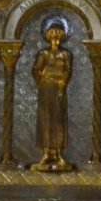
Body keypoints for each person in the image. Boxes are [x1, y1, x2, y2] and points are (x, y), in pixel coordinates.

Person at [32, 19, 74, 171]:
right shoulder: (43, 53)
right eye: (53, 35)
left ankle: (57, 153)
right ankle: (46, 153)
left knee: (58, 120)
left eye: (58, 35)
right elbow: (36, 70)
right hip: (46, 88)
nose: (55, 39)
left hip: (58, 88)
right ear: (48, 36)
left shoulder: (65, 54)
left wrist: (61, 81)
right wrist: (45, 75)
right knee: (45, 119)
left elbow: (67, 71)